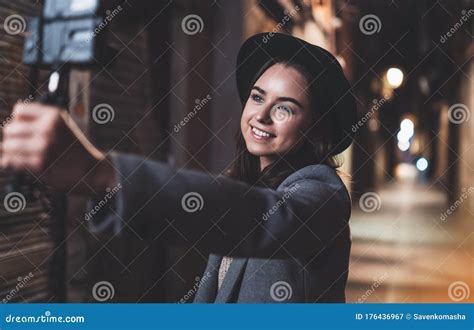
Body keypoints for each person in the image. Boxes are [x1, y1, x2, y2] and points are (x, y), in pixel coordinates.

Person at [1, 33, 357, 303]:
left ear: (315, 128)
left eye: (286, 108)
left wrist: (102, 173)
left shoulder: (322, 194)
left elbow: (266, 220)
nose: (261, 115)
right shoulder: (248, 187)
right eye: (257, 96)